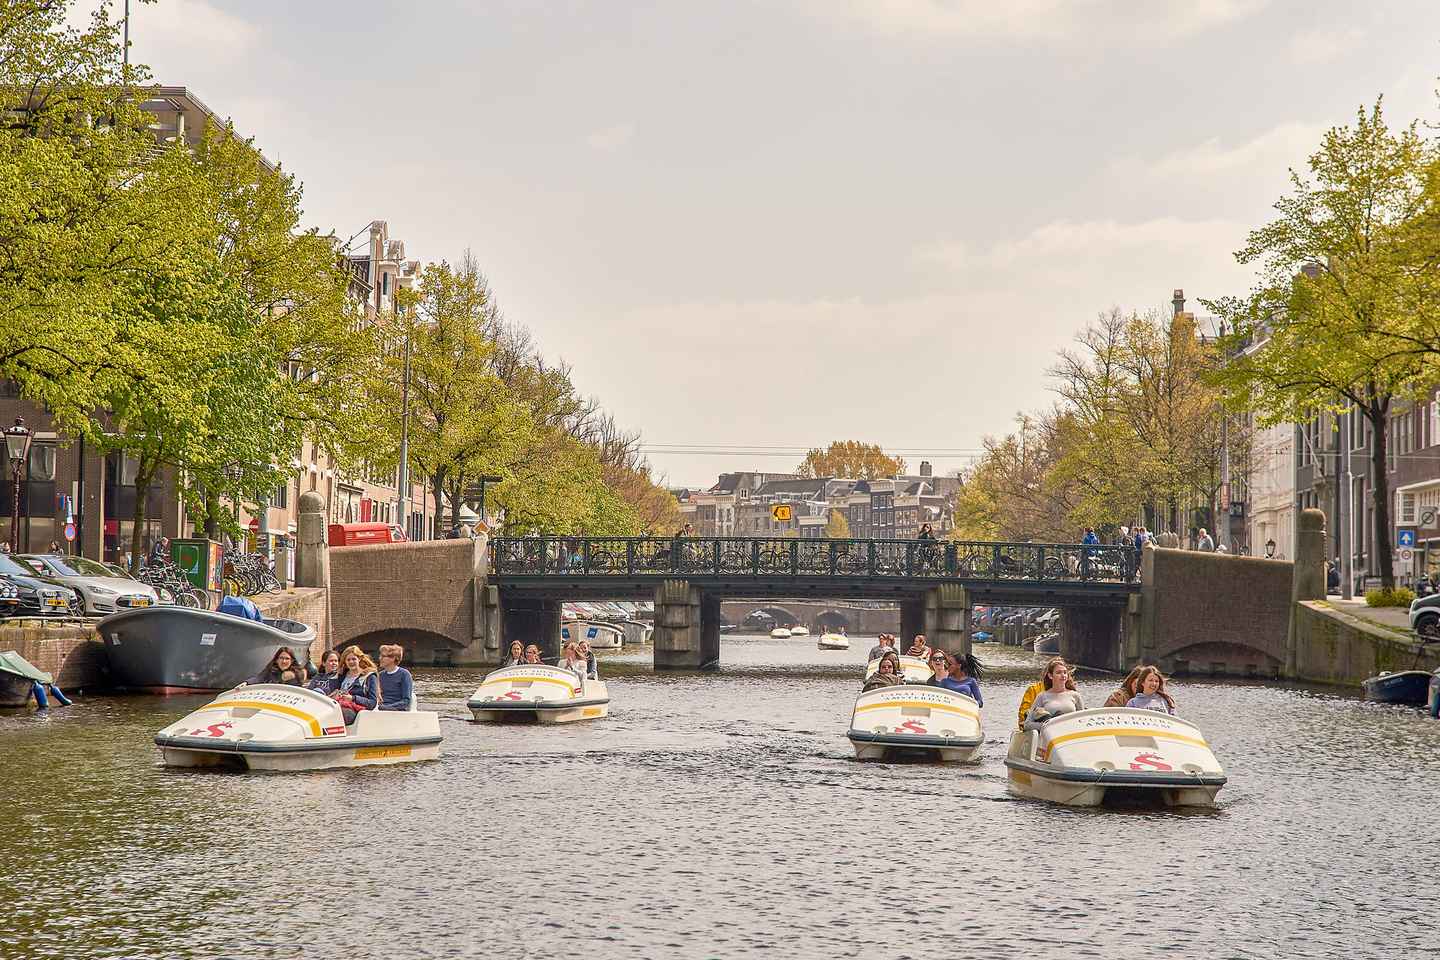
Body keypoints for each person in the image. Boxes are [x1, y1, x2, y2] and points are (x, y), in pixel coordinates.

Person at [1024, 658, 1084, 729]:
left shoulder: (1075, 695)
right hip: (1052, 737)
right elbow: (1027, 724)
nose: (1063, 675)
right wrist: (1048, 725)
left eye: (1065, 672)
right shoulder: (1042, 696)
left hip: (1071, 735)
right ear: (1050, 676)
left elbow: (1083, 721)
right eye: (1058, 672)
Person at [332, 645, 379, 723]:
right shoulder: (342, 676)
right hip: (340, 705)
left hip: (358, 712)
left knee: (338, 714)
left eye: (353, 659)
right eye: (348, 660)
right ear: (345, 662)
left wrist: (353, 698)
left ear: (359, 659)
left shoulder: (369, 676)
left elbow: (372, 703)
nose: (351, 662)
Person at [376, 643, 414, 711]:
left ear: (393, 658)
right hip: (381, 709)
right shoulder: (380, 675)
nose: (380, 658)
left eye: (383, 656)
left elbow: (406, 701)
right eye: (380, 656)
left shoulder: (404, 674)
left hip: (397, 711)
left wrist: (385, 707)